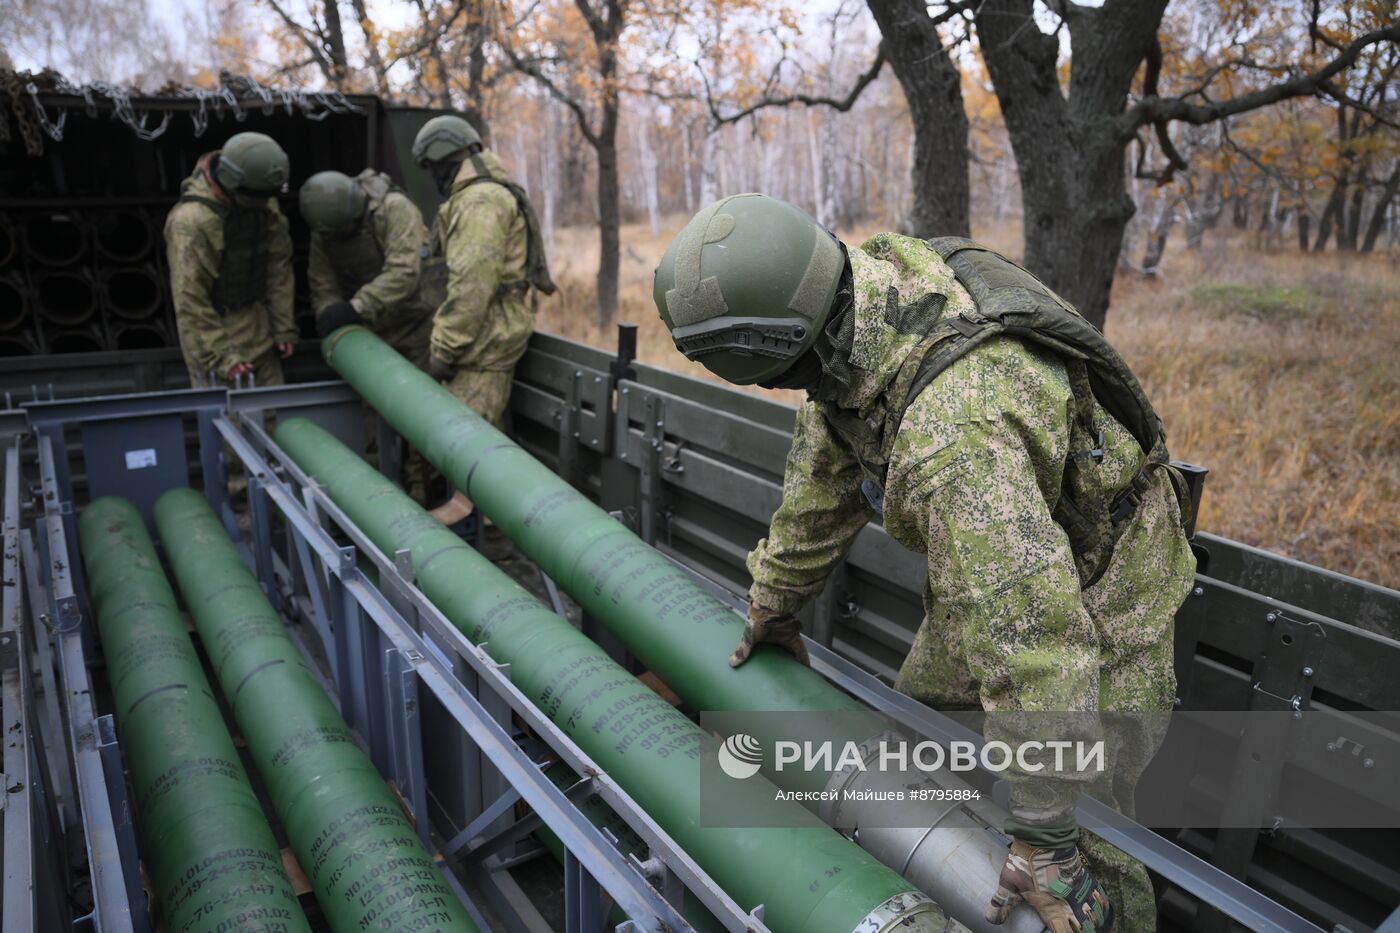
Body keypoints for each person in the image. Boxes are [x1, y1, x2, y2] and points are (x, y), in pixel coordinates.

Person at [652, 194, 1198, 933]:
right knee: (920, 748)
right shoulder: (854, 301)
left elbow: (1038, 640)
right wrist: (775, 600)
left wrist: (1044, 836)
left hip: (1104, 585)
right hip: (1001, 546)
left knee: (1084, 843)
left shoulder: (956, 438)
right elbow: (826, 471)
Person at [410, 114, 555, 525]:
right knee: (465, 448)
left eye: (431, 165)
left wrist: (444, 348)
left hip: (483, 342)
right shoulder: (479, 194)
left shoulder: (480, 201)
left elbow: (471, 287)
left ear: (442, 157)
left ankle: (490, 542)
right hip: (481, 337)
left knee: (466, 453)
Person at [165, 131, 296, 387]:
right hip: (213, 334)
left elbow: (278, 266)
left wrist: (284, 326)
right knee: (230, 423)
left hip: (259, 326)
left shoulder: (261, 200)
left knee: (275, 417)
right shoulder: (191, 222)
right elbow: (190, 299)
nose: (266, 202)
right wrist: (222, 357)